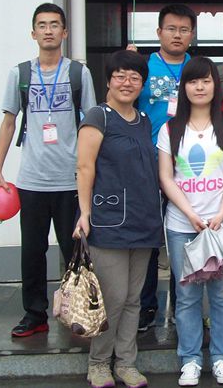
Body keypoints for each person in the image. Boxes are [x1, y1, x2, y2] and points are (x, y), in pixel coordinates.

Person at [0, 3, 96, 338]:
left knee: (75, 252)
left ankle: (78, 313)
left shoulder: (78, 74)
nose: (49, 30)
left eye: (54, 25)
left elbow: (91, 125)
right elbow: (8, 123)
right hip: (32, 181)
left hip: (70, 181)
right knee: (32, 252)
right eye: (42, 25)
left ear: (65, 32)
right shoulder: (20, 74)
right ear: (33, 33)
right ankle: (35, 314)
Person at [73, 50, 162, 388]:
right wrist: (84, 213)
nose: (127, 82)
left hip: (143, 218)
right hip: (107, 220)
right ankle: (98, 364)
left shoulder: (143, 120)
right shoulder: (98, 117)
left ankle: (126, 363)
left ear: (142, 84)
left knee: (133, 299)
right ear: (108, 81)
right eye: (120, 76)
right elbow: (84, 167)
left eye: (135, 77)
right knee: (112, 297)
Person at [158, 57, 223, 386]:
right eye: (193, 81)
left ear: (215, 85)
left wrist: (220, 214)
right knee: (187, 296)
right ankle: (190, 359)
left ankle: (222, 358)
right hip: (183, 225)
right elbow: (166, 177)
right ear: (183, 87)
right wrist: (191, 214)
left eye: (206, 81)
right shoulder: (170, 129)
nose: (199, 87)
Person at [135, 4, 197, 332]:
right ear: (159, 32)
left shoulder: (196, 68)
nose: (177, 35)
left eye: (184, 30)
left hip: (189, 166)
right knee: (148, 238)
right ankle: (146, 305)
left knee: (185, 238)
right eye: (171, 29)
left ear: (192, 35)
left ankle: (183, 302)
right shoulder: (143, 67)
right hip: (148, 162)